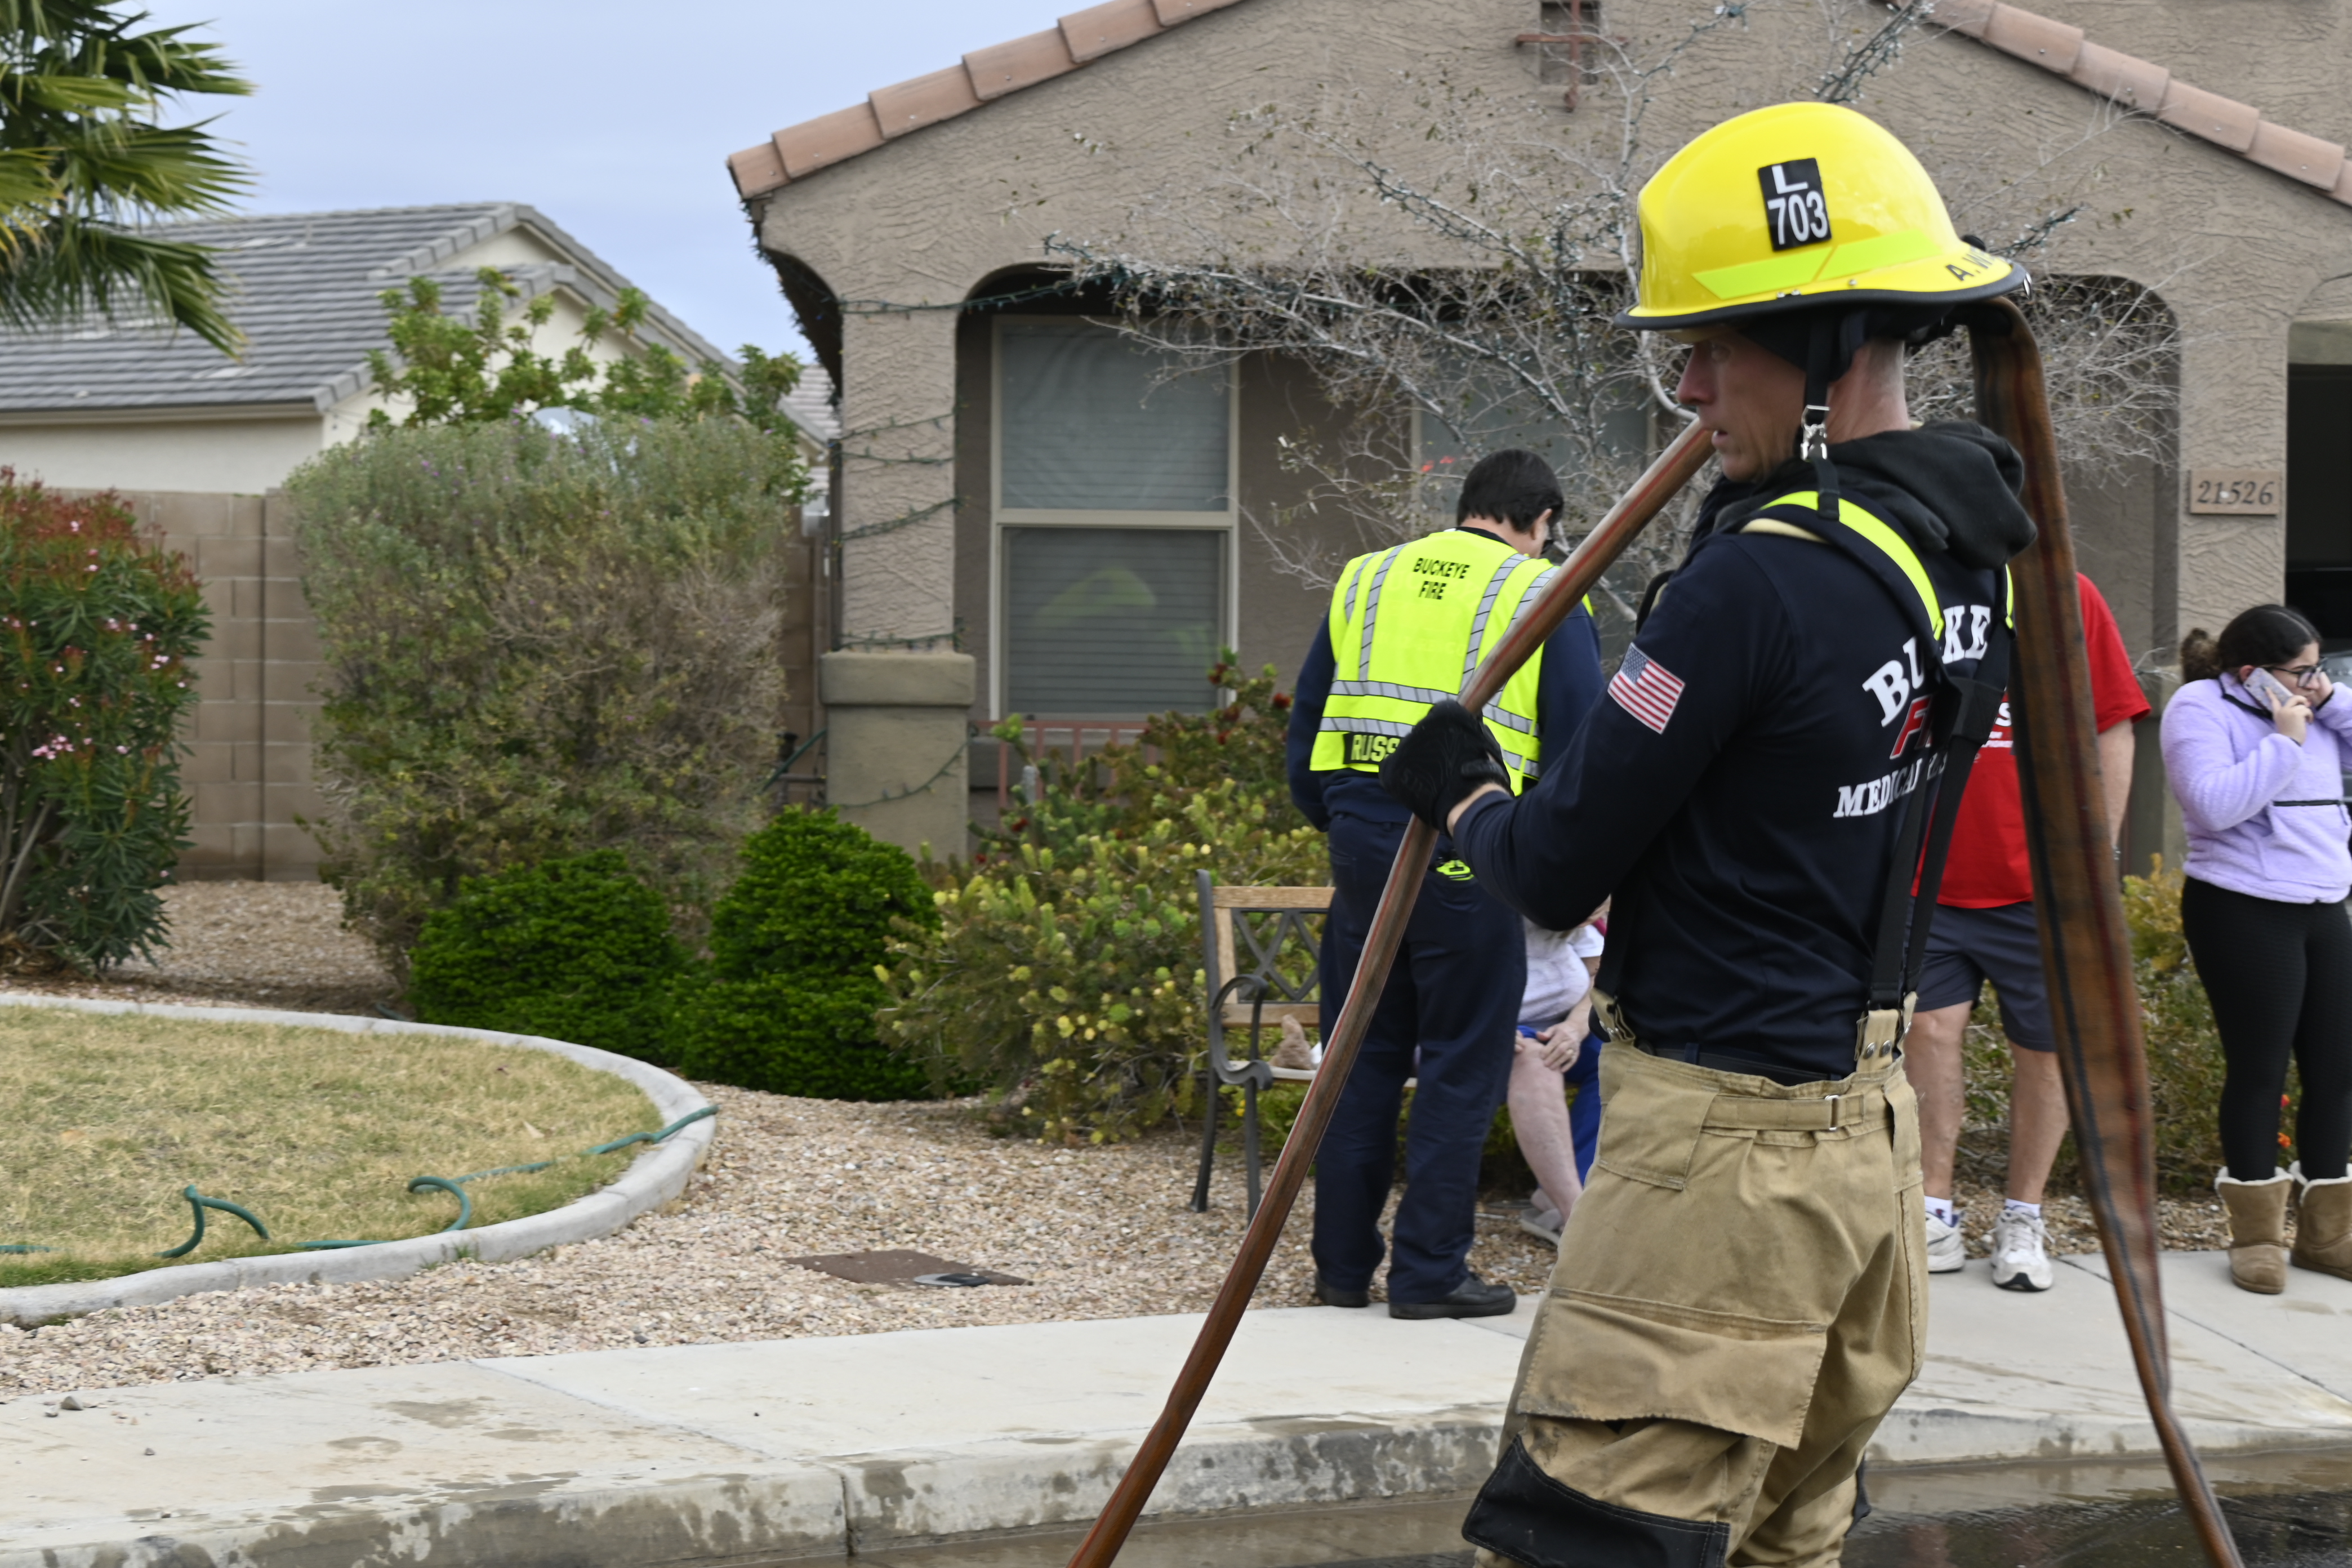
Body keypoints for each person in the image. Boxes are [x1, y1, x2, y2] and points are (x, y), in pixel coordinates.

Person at [1380, 101, 2033, 1565]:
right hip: (1865, 1150)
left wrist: (1463, 792)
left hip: (1719, 1178)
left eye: (1714, 348)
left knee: (1595, 1543)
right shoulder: (1967, 560)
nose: (1684, 388)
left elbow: (1555, 868)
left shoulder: (1755, 583)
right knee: (1783, 1541)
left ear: (1825, 346)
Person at [1286, 448, 1606, 1320]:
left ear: (1469, 506)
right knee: (1464, 1062)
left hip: (1361, 845)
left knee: (1359, 1059)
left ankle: (1341, 1271)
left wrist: (1343, 823)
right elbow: (1581, 750)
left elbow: (1308, 723)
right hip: (1470, 855)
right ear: (1543, 522)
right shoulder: (1544, 591)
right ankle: (1429, 1275)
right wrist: (1548, 863)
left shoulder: (1367, 579)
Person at [1906, 574, 2149, 1292]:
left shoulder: (2065, 592)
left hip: (2041, 883)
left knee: (2045, 1053)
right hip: (1926, 872)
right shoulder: (1917, 576)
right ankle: (1933, 1209)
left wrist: (2096, 859)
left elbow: (2113, 721)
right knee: (1928, 1033)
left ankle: (2023, 1215)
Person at [2160, 604, 2352, 1295]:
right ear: (2252, 674)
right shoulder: (2199, 708)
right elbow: (2213, 805)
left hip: (2324, 903)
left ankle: (2327, 1238)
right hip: (2243, 906)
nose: (2313, 682)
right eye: (2301, 672)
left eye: (2319, 669)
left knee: (2336, 1070)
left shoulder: (2320, 708)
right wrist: (2284, 741)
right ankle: (2257, 1240)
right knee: (2261, 1071)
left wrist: (2333, 706)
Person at [1512, 916, 1606, 1245]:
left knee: (1617, 1061)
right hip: (1494, 1029)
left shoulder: (1568, 914)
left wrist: (1575, 1028)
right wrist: (1488, 1022)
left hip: (1560, 1027)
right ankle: (1575, 1218)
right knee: (1538, 1062)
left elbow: (1600, 977)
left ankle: (1566, 1193)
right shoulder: (1477, 905)